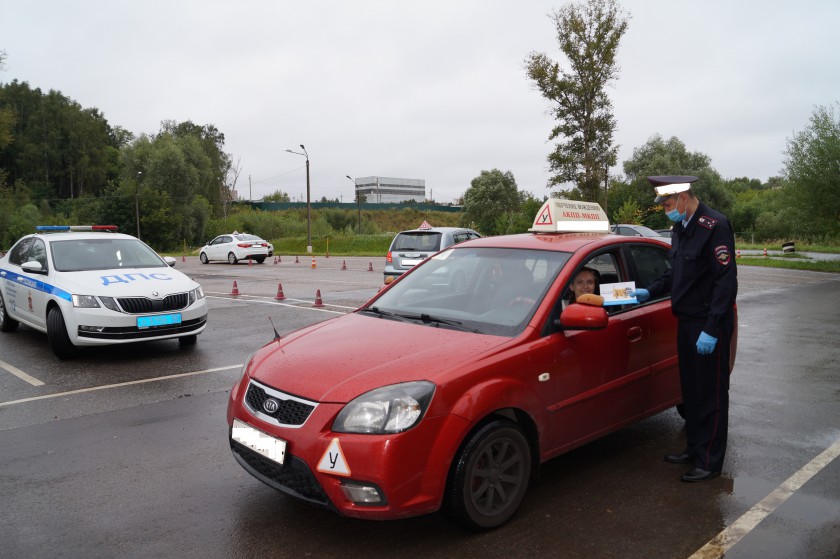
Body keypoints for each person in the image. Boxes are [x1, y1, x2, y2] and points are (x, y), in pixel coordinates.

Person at [630, 175, 737, 482]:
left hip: (708, 325)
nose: (666, 210)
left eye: (667, 204)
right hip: (687, 322)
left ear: (683, 197)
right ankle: (694, 448)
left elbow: (725, 283)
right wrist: (650, 290)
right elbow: (675, 273)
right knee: (691, 391)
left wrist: (714, 328)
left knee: (711, 394)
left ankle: (710, 462)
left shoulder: (714, 226)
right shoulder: (681, 228)